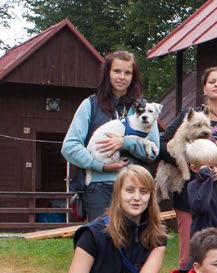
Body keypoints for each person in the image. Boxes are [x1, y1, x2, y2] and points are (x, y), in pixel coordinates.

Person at [62, 50, 160, 221]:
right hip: (99, 187)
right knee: (101, 241)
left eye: (127, 72)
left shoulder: (145, 109)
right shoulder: (90, 105)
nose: (122, 77)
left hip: (136, 187)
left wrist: (125, 142)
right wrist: (100, 165)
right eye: (117, 71)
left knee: (134, 243)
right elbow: (69, 147)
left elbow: (152, 152)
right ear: (107, 73)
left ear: (133, 76)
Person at [158, 66, 217, 269]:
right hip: (190, 193)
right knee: (190, 253)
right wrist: (190, 156)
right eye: (212, 81)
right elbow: (161, 145)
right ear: (204, 88)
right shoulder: (189, 114)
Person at [186, 139, 217, 239]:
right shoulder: (193, 187)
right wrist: (207, 179)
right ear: (194, 168)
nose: (215, 170)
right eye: (209, 168)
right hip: (202, 241)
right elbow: (202, 206)